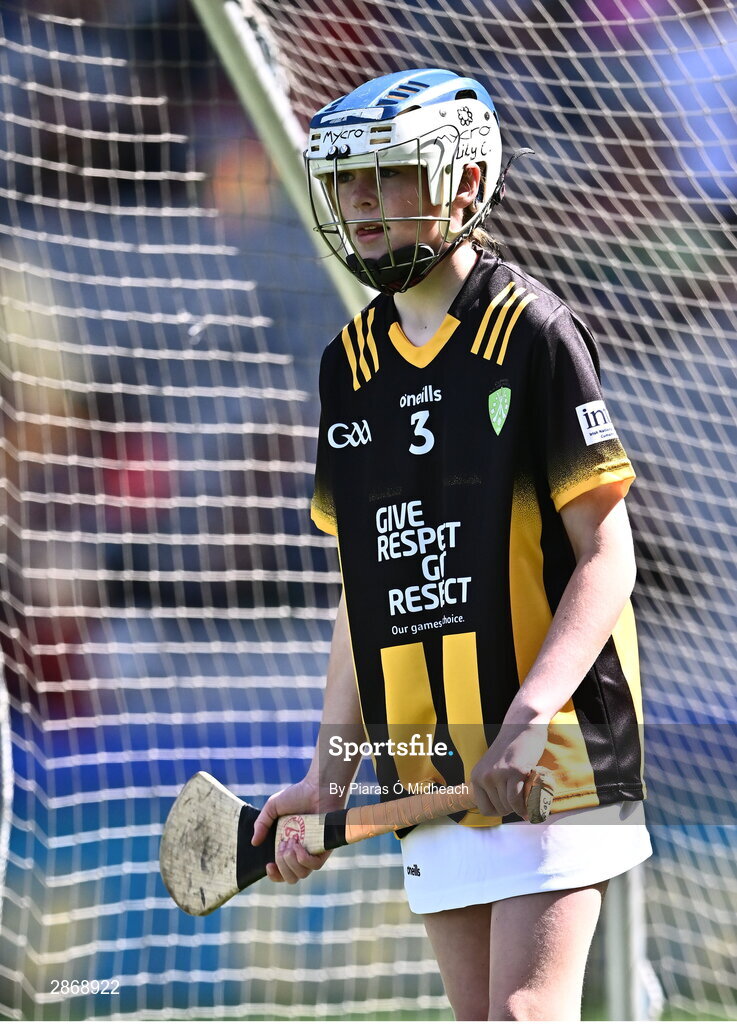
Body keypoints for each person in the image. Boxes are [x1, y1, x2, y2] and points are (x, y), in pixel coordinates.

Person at [252, 68, 651, 1021]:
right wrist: (328, 774)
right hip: (424, 761)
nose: (361, 203)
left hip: (552, 752)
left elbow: (608, 556)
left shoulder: (533, 332)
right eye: (346, 182)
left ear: (464, 182)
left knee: (523, 1014)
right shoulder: (348, 367)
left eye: (387, 175)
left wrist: (531, 713)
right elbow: (364, 591)